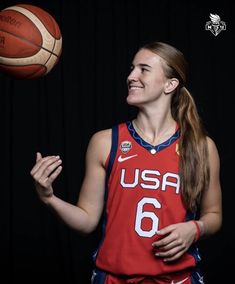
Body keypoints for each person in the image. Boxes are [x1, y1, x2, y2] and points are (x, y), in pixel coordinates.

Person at [30, 41, 222, 284]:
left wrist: (195, 229)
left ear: (170, 84)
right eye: (132, 68)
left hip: (178, 279)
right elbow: (87, 220)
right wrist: (49, 198)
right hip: (113, 278)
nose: (131, 76)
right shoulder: (105, 142)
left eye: (144, 69)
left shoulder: (202, 147)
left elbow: (214, 214)